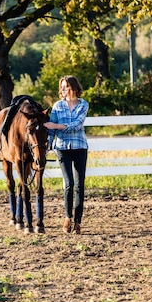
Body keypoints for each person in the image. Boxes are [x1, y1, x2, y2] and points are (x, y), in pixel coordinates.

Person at [44, 75, 89, 234]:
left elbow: (77, 125)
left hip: (79, 146)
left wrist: (56, 125)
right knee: (69, 183)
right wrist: (49, 142)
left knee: (79, 184)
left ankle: (78, 221)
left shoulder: (83, 104)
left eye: (66, 86)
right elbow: (50, 129)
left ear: (74, 88)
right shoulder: (57, 106)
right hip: (62, 147)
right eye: (62, 87)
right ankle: (68, 217)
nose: (63, 89)